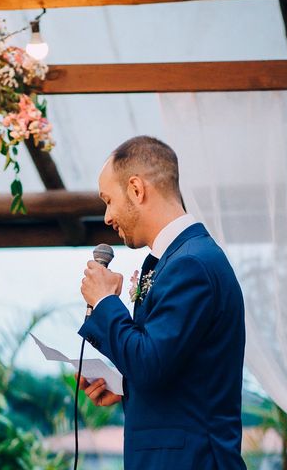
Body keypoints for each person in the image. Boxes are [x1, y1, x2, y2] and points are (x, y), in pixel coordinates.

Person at [78, 136, 246, 469]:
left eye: (108, 201)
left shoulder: (191, 264)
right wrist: (126, 386)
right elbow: (171, 365)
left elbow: (150, 363)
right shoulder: (181, 258)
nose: (108, 217)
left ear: (137, 189)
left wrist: (105, 302)